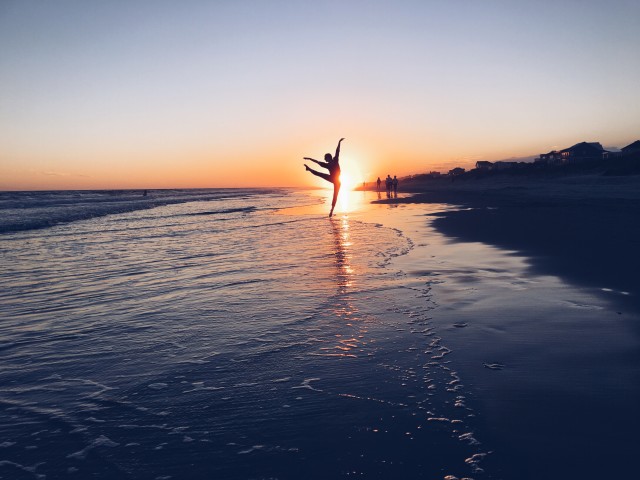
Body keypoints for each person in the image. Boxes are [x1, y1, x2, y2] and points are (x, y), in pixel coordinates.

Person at [304, 138, 345, 217]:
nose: (325, 160)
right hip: (332, 178)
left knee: (335, 195)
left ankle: (331, 211)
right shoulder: (327, 165)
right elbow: (317, 162)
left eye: (325, 158)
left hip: (337, 181)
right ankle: (308, 169)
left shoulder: (335, 160)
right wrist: (309, 159)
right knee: (319, 174)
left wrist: (339, 142)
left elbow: (337, 151)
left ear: (328, 157)